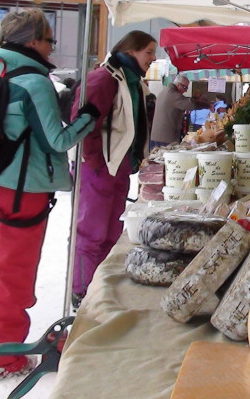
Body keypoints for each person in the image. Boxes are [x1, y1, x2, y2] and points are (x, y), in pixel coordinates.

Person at [0, 8, 98, 382]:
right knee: (14, 276)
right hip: (21, 193)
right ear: (32, 41)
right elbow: (57, 139)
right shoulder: (34, 82)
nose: (52, 48)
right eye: (49, 40)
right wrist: (86, 117)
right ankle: (0, 359)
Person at [70, 31, 157, 307]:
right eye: (149, 52)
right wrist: (96, 162)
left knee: (110, 233)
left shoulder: (133, 82)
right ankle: (82, 289)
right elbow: (82, 125)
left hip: (117, 168)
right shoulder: (104, 79)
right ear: (131, 51)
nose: (153, 59)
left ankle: (100, 287)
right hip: (99, 169)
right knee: (91, 232)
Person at [150, 74, 201, 148]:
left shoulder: (165, 91)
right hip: (165, 138)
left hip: (157, 136)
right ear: (178, 85)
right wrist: (207, 105)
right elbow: (190, 104)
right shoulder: (173, 94)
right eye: (185, 87)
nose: (186, 90)